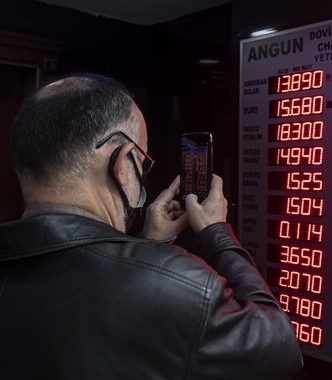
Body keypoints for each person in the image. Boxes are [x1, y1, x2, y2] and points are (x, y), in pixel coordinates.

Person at [0, 73, 303, 379]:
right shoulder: (187, 287)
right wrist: (216, 233)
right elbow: (281, 350)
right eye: (143, 163)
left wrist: (148, 245)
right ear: (124, 161)